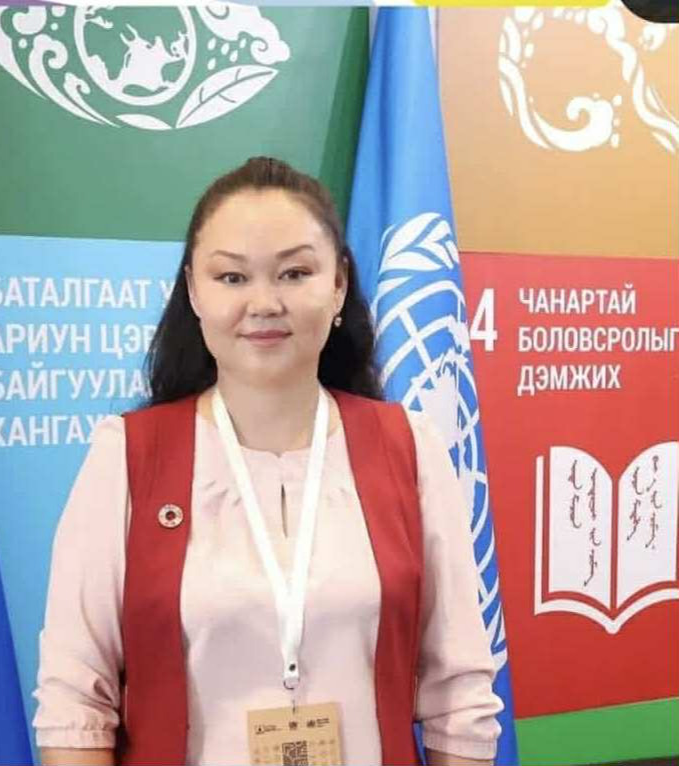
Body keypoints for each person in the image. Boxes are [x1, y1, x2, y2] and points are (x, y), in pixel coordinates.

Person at [33, 157, 503, 766]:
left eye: (295, 273)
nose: (263, 303)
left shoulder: (409, 447)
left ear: (339, 285)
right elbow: (76, 703)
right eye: (232, 277)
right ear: (193, 290)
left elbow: (460, 696)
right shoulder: (127, 455)